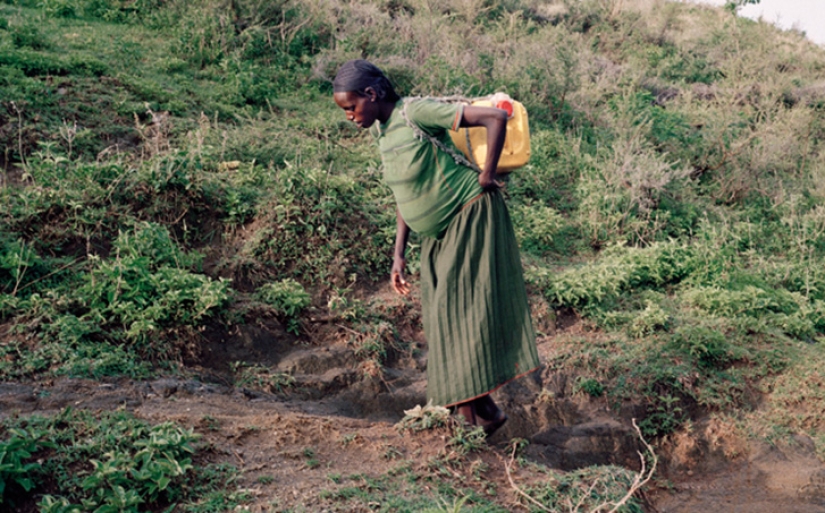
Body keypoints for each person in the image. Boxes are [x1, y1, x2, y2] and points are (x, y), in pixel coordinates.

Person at [333, 59, 540, 436]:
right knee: (440, 318)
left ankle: (467, 423)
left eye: (351, 107)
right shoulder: (382, 132)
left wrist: (487, 175)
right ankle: (486, 414)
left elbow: (494, 117)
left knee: (457, 312)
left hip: (469, 214)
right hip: (437, 234)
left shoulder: (414, 112)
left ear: (372, 94)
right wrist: (398, 254)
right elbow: (404, 192)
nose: (349, 116)